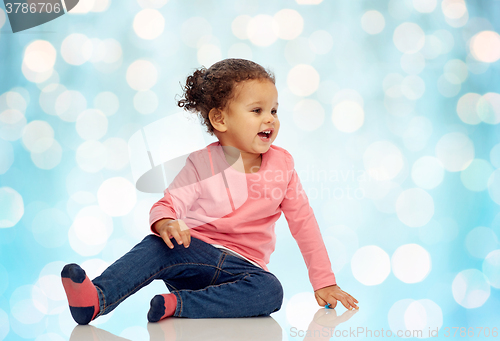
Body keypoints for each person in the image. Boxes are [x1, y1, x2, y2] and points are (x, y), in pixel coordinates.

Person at [61, 58, 359, 325]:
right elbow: (170, 202)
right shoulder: (202, 163)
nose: (270, 119)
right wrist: (167, 222)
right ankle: (97, 298)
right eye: (257, 111)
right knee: (156, 246)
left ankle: (178, 306)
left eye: (274, 110)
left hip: (243, 270)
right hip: (195, 256)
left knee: (271, 291)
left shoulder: (283, 166)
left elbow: (304, 224)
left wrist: (323, 281)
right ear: (220, 120)